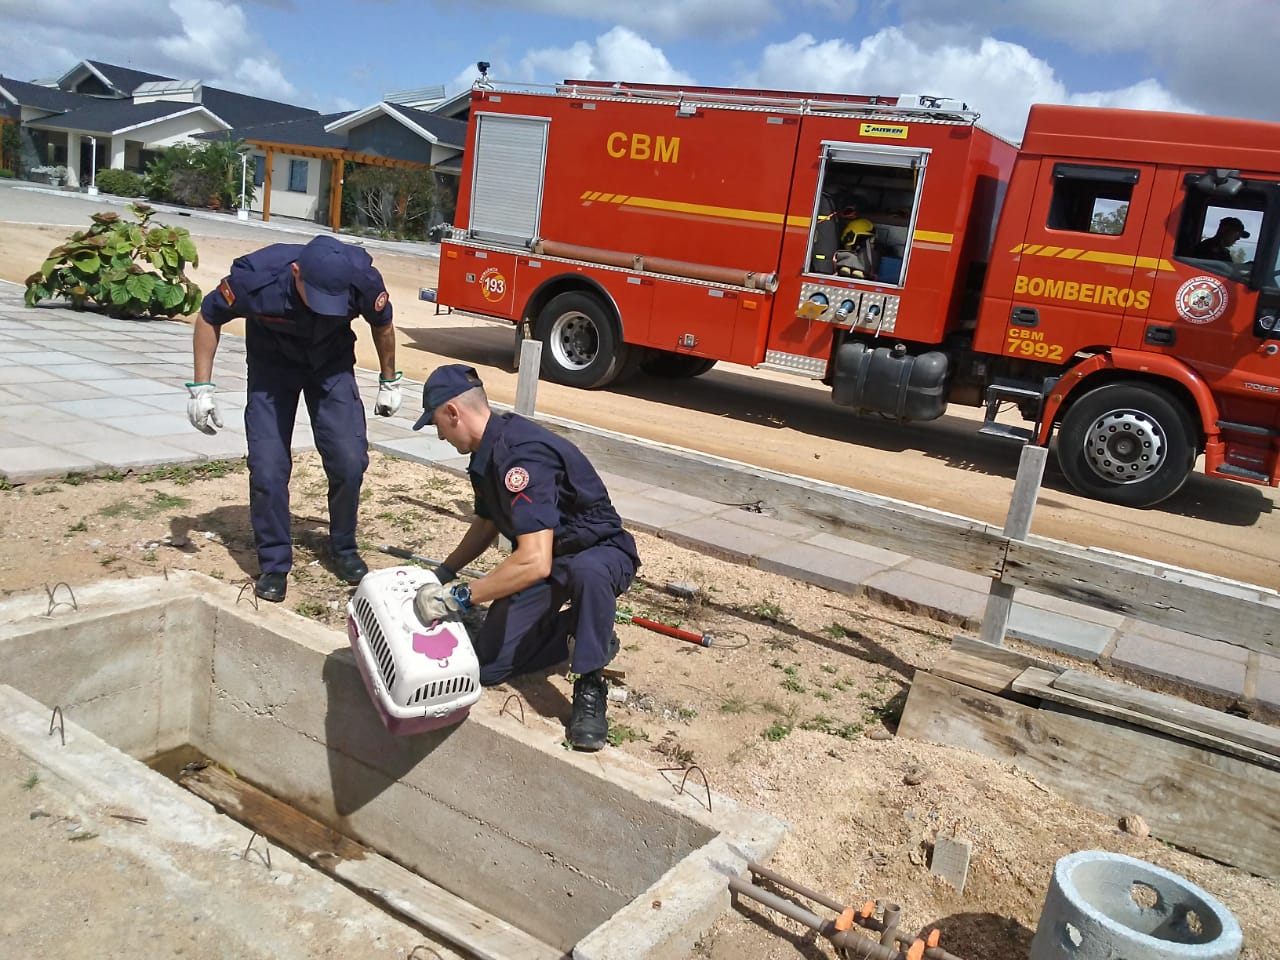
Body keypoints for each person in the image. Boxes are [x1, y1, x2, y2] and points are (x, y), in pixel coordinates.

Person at [410, 364, 640, 751]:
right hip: (550, 559)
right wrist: (443, 573)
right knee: (489, 666)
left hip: (598, 551)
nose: (440, 435)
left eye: (438, 424)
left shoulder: (520, 456)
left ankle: (589, 685)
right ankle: (583, 631)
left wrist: (459, 597)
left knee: (588, 572)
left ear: (453, 412)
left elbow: (534, 562)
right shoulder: (485, 456)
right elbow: (487, 522)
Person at [186, 234, 403, 602]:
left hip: (331, 363)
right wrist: (201, 387)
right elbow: (209, 316)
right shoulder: (256, 280)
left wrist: (389, 380)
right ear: (296, 273)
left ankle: (344, 547)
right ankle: (274, 563)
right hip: (272, 367)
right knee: (268, 467)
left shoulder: (361, 279)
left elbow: (382, 324)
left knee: (349, 459)